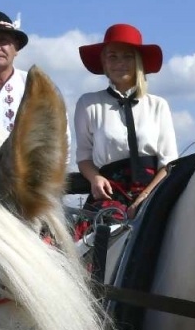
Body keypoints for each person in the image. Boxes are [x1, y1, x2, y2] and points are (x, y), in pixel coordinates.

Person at [73, 24, 178, 219]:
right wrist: (95, 178)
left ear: (138, 61)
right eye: (112, 56)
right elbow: (84, 157)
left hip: (154, 191)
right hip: (109, 192)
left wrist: (145, 197)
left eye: (127, 56)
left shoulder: (158, 105)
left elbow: (169, 162)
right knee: (90, 244)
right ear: (104, 62)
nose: (119, 62)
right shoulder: (88, 104)